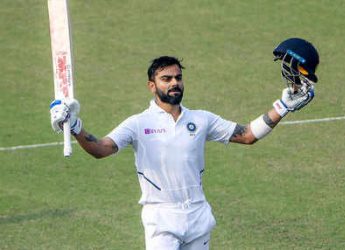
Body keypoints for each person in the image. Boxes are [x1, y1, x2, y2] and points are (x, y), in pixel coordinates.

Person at [50, 38, 319, 250]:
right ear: (151, 86)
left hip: (197, 213)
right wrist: (75, 126)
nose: (174, 83)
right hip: (161, 218)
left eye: (178, 77)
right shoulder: (137, 123)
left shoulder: (201, 120)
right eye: (166, 79)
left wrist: (282, 107)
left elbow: (247, 134)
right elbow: (101, 148)